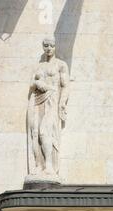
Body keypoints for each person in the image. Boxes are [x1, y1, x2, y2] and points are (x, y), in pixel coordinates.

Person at [27, 37, 69, 179]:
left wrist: (62, 103)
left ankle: (49, 165)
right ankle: (39, 165)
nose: (49, 48)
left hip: (52, 99)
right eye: (46, 46)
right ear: (43, 47)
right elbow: (31, 84)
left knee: (45, 131)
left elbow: (65, 86)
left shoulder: (61, 65)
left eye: (51, 45)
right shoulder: (38, 66)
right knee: (35, 133)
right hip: (37, 100)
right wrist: (37, 84)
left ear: (55, 46)